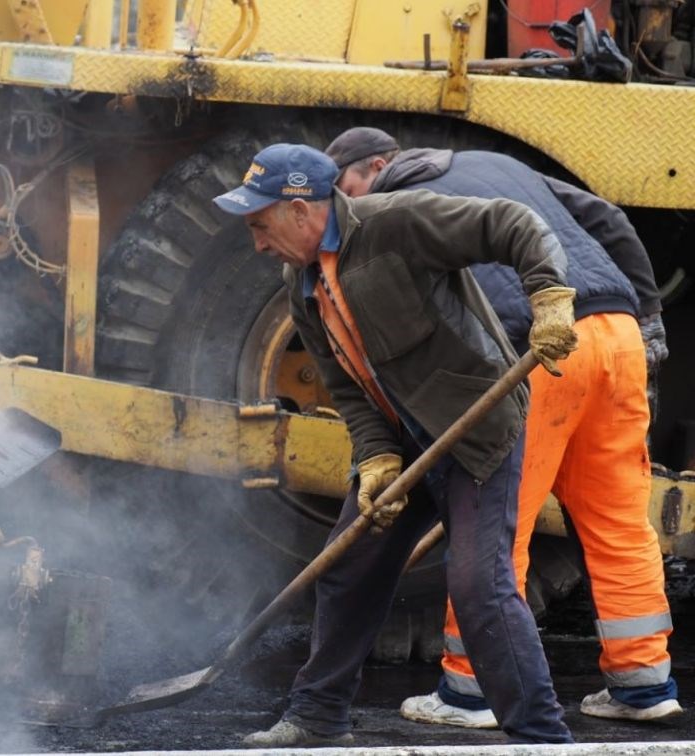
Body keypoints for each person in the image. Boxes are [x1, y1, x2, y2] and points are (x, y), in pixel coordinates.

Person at [214, 144, 577, 746]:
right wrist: (376, 455)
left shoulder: (396, 224)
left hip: (474, 429)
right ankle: (315, 715)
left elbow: (512, 224)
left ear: (300, 210)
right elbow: (345, 384)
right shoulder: (299, 281)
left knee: (478, 587)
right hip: (402, 437)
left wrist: (549, 296)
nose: (256, 242)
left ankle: (541, 736)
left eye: (260, 224)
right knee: (350, 566)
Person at [325, 127, 679, 724]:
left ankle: (470, 690)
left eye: (345, 188)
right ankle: (643, 685)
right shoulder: (495, 163)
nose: (345, 206)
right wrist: (647, 316)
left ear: (377, 166)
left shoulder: (392, 210)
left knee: (494, 526)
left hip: (534, 353)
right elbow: (610, 219)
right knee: (619, 520)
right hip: (615, 338)